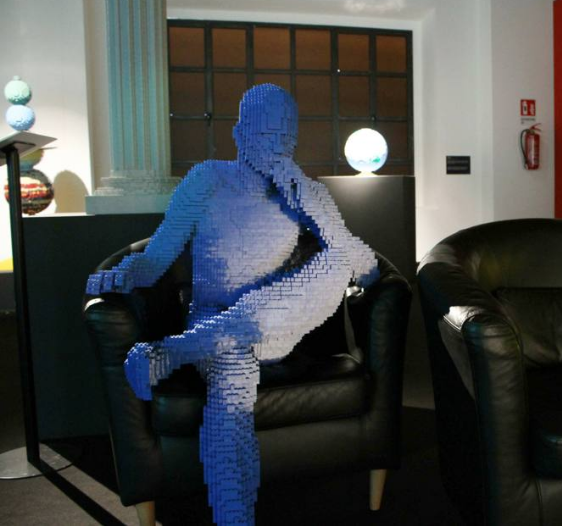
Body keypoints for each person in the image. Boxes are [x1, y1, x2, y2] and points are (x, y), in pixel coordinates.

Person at [87, 84, 378, 525]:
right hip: (217, 327)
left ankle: (174, 352)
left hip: (278, 331)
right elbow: (157, 257)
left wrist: (315, 213)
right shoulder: (207, 179)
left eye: (286, 135)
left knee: (338, 260)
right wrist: (124, 273)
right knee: (234, 374)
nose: (277, 144)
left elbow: (366, 269)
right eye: (266, 132)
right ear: (239, 133)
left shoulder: (308, 192)